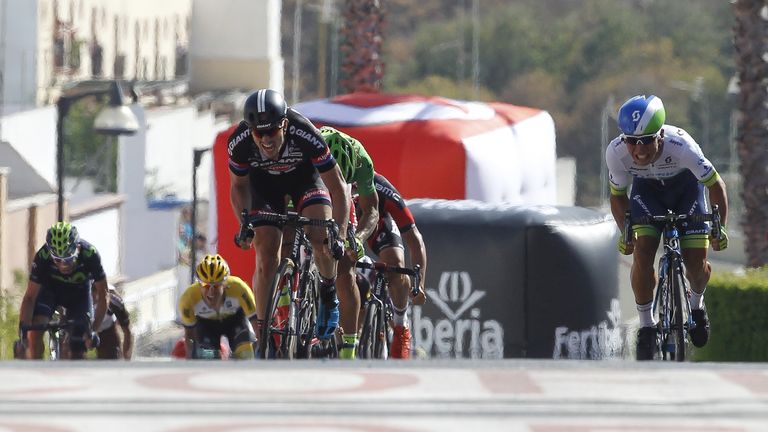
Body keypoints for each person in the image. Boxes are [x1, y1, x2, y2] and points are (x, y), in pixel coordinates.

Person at [605, 95, 728, 361]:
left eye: (647, 140)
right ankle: (647, 327)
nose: (639, 150)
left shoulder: (682, 146)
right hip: (648, 195)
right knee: (643, 252)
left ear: (660, 134)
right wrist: (625, 231)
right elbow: (617, 196)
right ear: (623, 139)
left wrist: (719, 228)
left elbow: (716, 185)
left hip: (686, 190)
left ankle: (696, 305)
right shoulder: (615, 153)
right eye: (632, 142)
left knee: (696, 265)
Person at [228, 89, 350, 345]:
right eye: (258, 132)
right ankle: (263, 333)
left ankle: (327, 291)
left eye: (271, 131)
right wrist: (244, 223)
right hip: (264, 188)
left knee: (321, 238)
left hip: (304, 180)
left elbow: (338, 188)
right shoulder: (239, 141)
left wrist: (338, 234)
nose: (265, 139)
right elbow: (239, 187)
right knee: (265, 250)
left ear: (284, 124)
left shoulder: (305, 133)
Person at [318, 126, 379, 359]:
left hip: (344, 201)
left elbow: (372, 209)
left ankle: (348, 348)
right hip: (313, 188)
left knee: (346, 267)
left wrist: (359, 239)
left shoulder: (362, 159)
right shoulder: (309, 149)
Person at [357, 172, 427, 359]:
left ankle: (400, 325)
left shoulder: (381, 187)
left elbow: (414, 239)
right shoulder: (327, 179)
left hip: (378, 225)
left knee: (395, 265)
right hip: (346, 226)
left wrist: (419, 284)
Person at [17, 222, 108, 360]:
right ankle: (35, 370)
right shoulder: (42, 256)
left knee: (80, 341)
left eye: (68, 259)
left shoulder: (90, 254)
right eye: (57, 260)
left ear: (77, 248)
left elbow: (103, 294)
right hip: (50, 291)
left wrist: (94, 329)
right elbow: (30, 297)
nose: (63, 265)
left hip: (79, 293)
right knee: (35, 331)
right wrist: (23, 334)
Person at [177, 254, 258, 359]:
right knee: (207, 356)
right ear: (199, 284)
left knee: (246, 352)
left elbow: (256, 325)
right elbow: (189, 336)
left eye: (216, 286)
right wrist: (191, 358)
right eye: (206, 286)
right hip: (207, 325)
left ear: (225, 284)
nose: (211, 292)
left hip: (235, 321)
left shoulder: (240, 289)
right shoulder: (188, 298)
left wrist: (260, 353)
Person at [95, 285, 133, 360]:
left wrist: (127, 359)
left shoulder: (114, 300)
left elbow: (127, 330)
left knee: (109, 351)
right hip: (83, 328)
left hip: (108, 330)